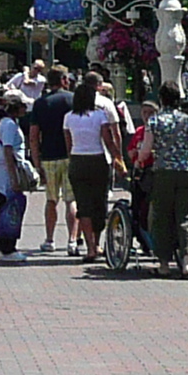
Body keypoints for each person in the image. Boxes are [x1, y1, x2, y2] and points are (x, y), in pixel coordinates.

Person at [143, 83, 188, 265]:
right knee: (186, 217)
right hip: (187, 172)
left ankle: (164, 264)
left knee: (162, 216)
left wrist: (140, 160)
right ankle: (187, 262)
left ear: (161, 99)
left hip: (163, 172)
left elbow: (145, 151)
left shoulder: (154, 121)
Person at [64, 75, 123, 261]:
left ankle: (89, 246)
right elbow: (108, 140)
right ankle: (97, 243)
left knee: (83, 205)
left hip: (77, 161)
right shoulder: (99, 116)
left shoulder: (68, 117)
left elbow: (68, 144)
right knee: (99, 203)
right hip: (97, 160)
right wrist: (118, 159)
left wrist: (73, 157)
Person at [29, 67, 76, 254]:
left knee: (51, 200)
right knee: (71, 200)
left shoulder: (41, 103)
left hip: (48, 156)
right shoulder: (72, 100)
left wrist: (36, 161)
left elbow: (33, 135)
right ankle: (72, 240)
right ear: (64, 79)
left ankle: (49, 239)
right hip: (70, 155)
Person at [0, 92, 32, 256]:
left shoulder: (8, 123)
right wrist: (14, 178)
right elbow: (8, 150)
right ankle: (8, 248)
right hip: (7, 174)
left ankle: (1, 245)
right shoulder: (9, 125)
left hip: (6, 172)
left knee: (6, 207)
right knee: (11, 210)